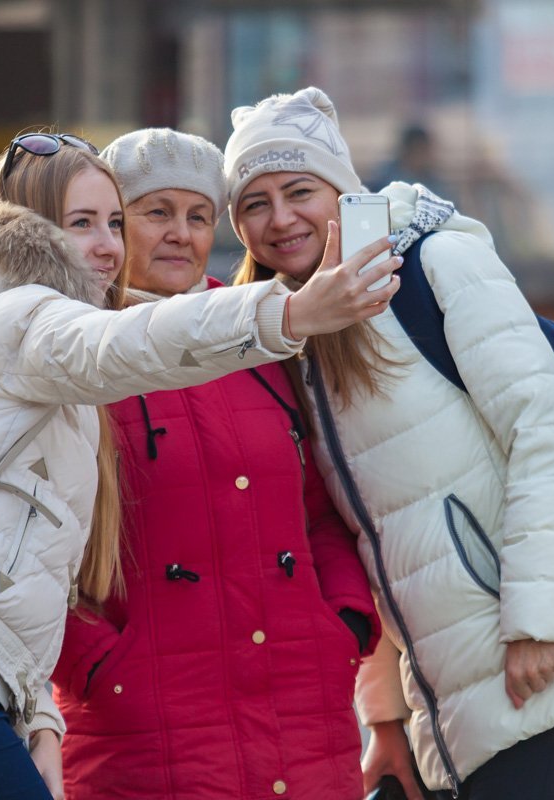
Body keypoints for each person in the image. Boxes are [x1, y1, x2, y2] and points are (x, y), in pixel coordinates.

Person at [0, 131, 399, 800]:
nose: (107, 245)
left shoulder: (11, 328)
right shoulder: (15, 320)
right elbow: (127, 343)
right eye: (82, 223)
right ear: (30, 233)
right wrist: (290, 311)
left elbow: (18, 572)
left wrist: (39, 718)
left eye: (113, 222)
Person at [224, 87, 554, 800]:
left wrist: (537, 623)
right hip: (444, 686)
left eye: (299, 190)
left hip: (540, 652)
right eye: (253, 203)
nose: (280, 219)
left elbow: (544, 437)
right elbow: (365, 529)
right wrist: (386, 714)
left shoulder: (437, 265)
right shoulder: (292, 329)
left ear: (343, 188)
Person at [50, 128, 385, 799]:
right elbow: (29, 546)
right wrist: (98, 666)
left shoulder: (265, 339)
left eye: (198, 216)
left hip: (302, 712)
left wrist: (341, 623)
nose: (180, 233)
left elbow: (320, 511)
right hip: (142, 727)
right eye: (155, 212)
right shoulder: (70, 351)